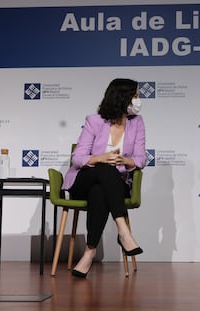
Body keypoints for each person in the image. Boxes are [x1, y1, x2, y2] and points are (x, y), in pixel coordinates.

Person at [62, 78, 146, 278]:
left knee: (100, 192)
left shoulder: (137, 123)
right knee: (105, 169)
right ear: (122, 98)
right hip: (84, 180)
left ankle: (89, 252)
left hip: (115, 185)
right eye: (135, 96)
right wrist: (102, 158)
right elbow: (78, 158)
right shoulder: (95, 121)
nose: (138, 100)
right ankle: (123, 231)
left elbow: (141, 159)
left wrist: (124, 160)